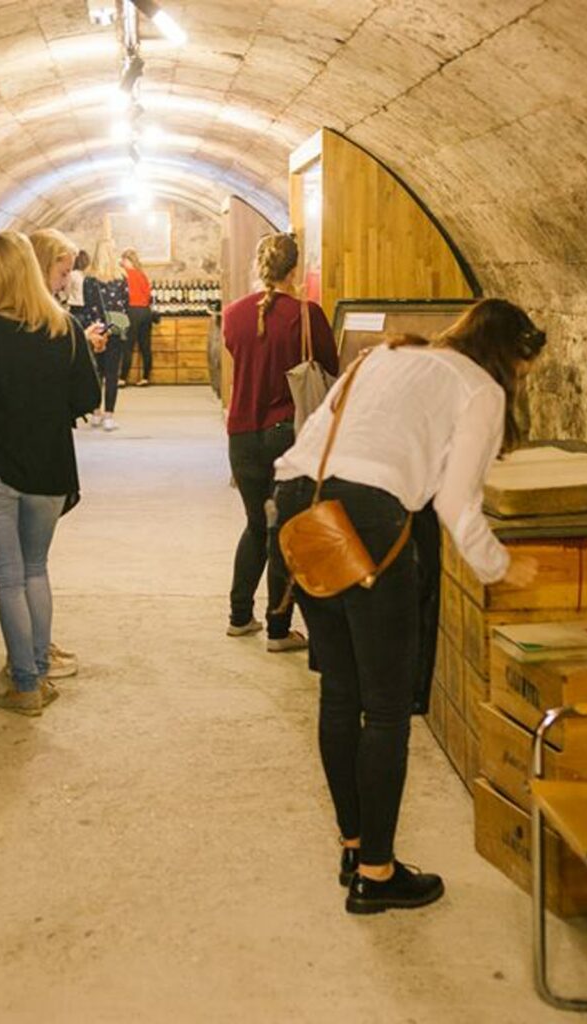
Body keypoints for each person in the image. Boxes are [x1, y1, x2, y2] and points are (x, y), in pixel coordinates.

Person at [272, 297, 545, 912]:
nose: (522, 383)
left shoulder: (386, 357)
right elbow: (454, 504)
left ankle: (354, 846)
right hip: (366, 522)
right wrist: (502, 566)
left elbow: (319, 433)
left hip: (299, 507)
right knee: (387, 709)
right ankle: (377, 872)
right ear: (509, 355)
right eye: (524, 372)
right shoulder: (480, 388)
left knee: (340, 691)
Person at [0, 231, 101, 716]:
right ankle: (37, 667)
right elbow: (87, 398)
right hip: (49, 469)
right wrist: (47, 411)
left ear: (0, 276)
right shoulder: (66, 327)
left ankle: (26, 685)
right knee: (35, 569)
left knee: (9, 580)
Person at [222, 232, 339, 651]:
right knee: (284, 530)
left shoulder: (233, 314)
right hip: (286, 432)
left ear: (259, 266)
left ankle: (239, 616)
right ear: (295, 269)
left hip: (241, 433)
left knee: (256, 524)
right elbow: (331, 366)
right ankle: (277, 629)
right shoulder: (306, 315)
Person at [27, 228, 108, 682]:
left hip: (6, 456)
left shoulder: (2, 319)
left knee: (17, 572)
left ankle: (33, 649)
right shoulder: (56, 324)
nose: (66, 282)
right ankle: (31, 658)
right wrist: (83, 352)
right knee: (29, 568)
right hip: (42, 455)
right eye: (62, 272)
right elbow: (83, 397)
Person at [78, 239, 129, 431]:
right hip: (115, 328)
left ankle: (95, 413)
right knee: (112, 374)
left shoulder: (88, 278)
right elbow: (126, 303)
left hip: (95, 329)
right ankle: (109, 416)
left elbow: (86, 305)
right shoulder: (121, 277)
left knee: (96, 372)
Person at [120, 247, 153, 386]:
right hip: (146, 311)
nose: (121, 262)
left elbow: (122, 296)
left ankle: (123, 378)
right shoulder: (142, 275)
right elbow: (149, 296)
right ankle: (145, 378)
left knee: (128, 346)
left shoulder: (124, 275)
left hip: (132, 311)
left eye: (123, 259)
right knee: (145, 346)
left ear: (128, 260)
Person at [67, 250, 89, 318]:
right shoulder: (86, 276)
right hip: (84, 306)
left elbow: (66, 291)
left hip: (74, 306)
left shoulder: (72, 275)